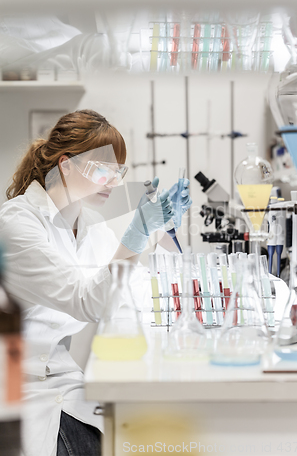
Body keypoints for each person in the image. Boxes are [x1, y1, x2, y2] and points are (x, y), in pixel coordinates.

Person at [0, 109, 192, 456]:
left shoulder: (86, 223)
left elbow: (133, 286)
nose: (116, 183)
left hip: (61, 379)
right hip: (18, 386)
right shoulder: (17, 224)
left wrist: (165, 233)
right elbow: (86, 301)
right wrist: (136, 235)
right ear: (66, 164)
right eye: (103, 169)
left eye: (119, 172)